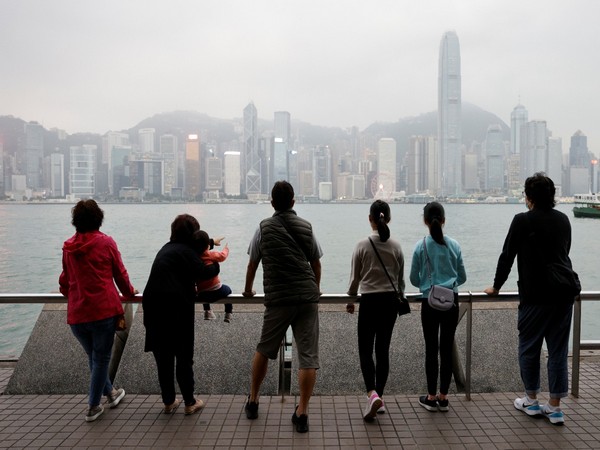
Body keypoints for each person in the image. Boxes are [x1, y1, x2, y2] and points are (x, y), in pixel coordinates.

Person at [484, 173, 577, 425]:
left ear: (529, 197)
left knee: (529, 347)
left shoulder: (522, 221)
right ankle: (555, 407)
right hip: (563, 294)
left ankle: (531, 400)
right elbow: (563, 253)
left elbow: (507, 256)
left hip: (535, 296)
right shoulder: (563, 219)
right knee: (557, 351)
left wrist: (496, 286)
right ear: (553, 196)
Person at [242, 181, 322, 433]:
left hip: (278, 300)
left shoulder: (263, 228)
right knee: (308, 356)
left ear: (272, 202)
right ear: (294, 201)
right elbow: (316, 262)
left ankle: (253, 400)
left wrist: (247, 290)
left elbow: (253, 263)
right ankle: (302, 413)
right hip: (307, 299)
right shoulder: (307, 227)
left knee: (264, 349)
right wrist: (315, 288)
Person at [59, 199, 137, 422]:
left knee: (94, 358)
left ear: (76, 221)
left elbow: (65, 281)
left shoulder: (68, 247)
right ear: (98, 219)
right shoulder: (106, 243)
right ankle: (93, 406)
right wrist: (130, 292)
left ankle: (111, 394)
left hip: (77, 314)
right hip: (102, 312)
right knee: (101, 358)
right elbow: (120, 275)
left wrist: (73, 295)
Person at [143, 214, 220, 415]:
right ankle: (189, 402)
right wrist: (216, 264)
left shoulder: (166, 249)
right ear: (192, 234)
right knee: (183, 355)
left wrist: (210, 243)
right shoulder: (187, 252)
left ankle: (169, 401)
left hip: (152, 306)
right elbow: (204, 271)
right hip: (175, 308)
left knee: (163, 358)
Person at [346, 200, 405, 421]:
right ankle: (379, 396)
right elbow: (400, 282)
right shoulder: (396, 246)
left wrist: (351, 298)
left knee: (365, 349)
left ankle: (372, 394)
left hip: (369, 301)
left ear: (370, 219)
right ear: (387, 219)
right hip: (390, 302)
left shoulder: (362, 245)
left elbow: (355, 278)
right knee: (382, 350)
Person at [410, 201, 466, 413]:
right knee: (447, 348)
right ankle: (444, 397)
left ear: (425, 221)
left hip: (429, 301)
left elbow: (414, 279)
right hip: (451, 301)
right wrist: (448, 283)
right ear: (443, 220)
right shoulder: (455, 245)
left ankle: (431, 396)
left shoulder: (420, 246)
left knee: (431, 349)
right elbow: (462, 277)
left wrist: (429, 284)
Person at [193, 230, 233, 322]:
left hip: (202, 294)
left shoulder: (194, 258)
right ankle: (228, 313)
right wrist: (226, 249)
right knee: (229, 289)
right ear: (208, 246)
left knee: (203, 290)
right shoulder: (211, 255)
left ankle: (207, 311)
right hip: (217, 290)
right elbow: (222, 256)